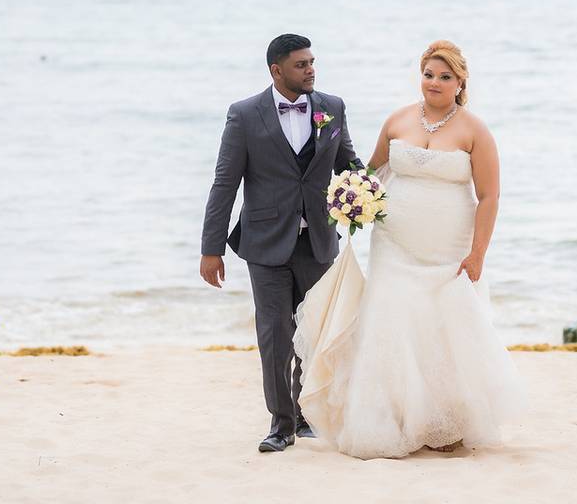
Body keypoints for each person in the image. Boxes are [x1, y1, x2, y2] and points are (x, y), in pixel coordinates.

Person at [293, 40, 528, 459]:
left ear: (460, 82)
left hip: (447, 251)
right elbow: (371, 172)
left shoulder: (475, 130)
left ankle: (446, 425)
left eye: (445, 77)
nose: (434, 83)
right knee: (390, 325)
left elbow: (489, 196)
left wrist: (478, 254)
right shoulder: (398, 120)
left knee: (440, 329)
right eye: (428, 74)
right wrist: (351, 198)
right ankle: (392, 419)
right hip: (394, 247)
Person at [200, 33, 363, 453]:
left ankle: (306, 414)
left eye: (312, 62)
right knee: (275, 335)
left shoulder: (332, 108)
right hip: (265, 244)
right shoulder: (245, 115)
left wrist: (373, 198)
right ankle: (281, 424)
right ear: (277, 71)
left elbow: (350, 165)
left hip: (318, 242)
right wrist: (211, 247)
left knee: (313, 333)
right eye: (301, 64)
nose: (310, 69)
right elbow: (225, 183)